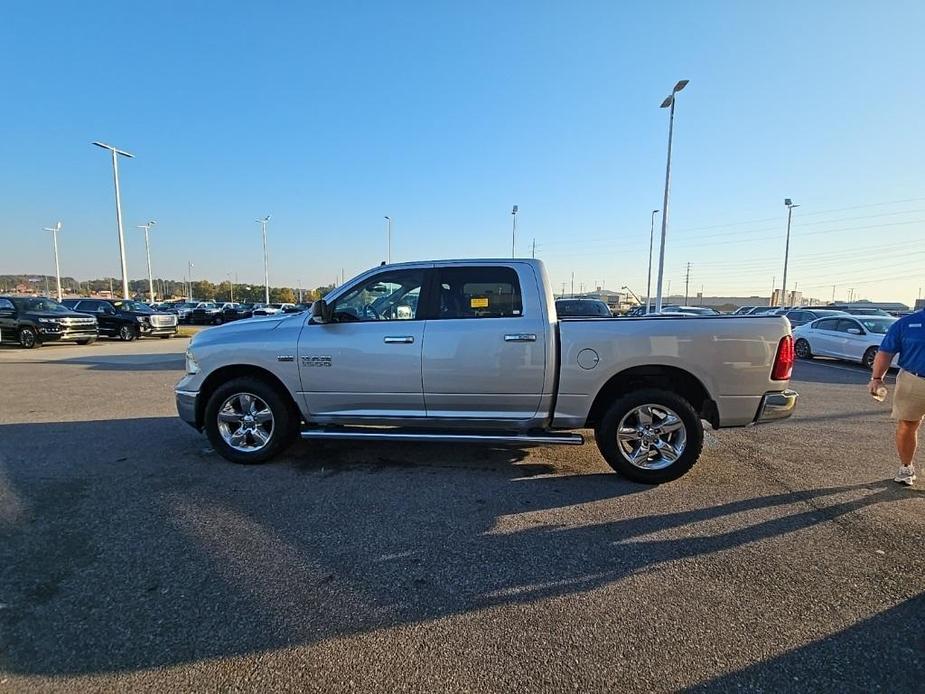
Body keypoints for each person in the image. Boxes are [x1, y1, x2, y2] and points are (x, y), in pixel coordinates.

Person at [870, 309, 925, 486]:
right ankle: (906, 467)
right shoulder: (906, 323)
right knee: (907, 425)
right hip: (913, 379)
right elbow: (886, 352)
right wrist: (877, 379)